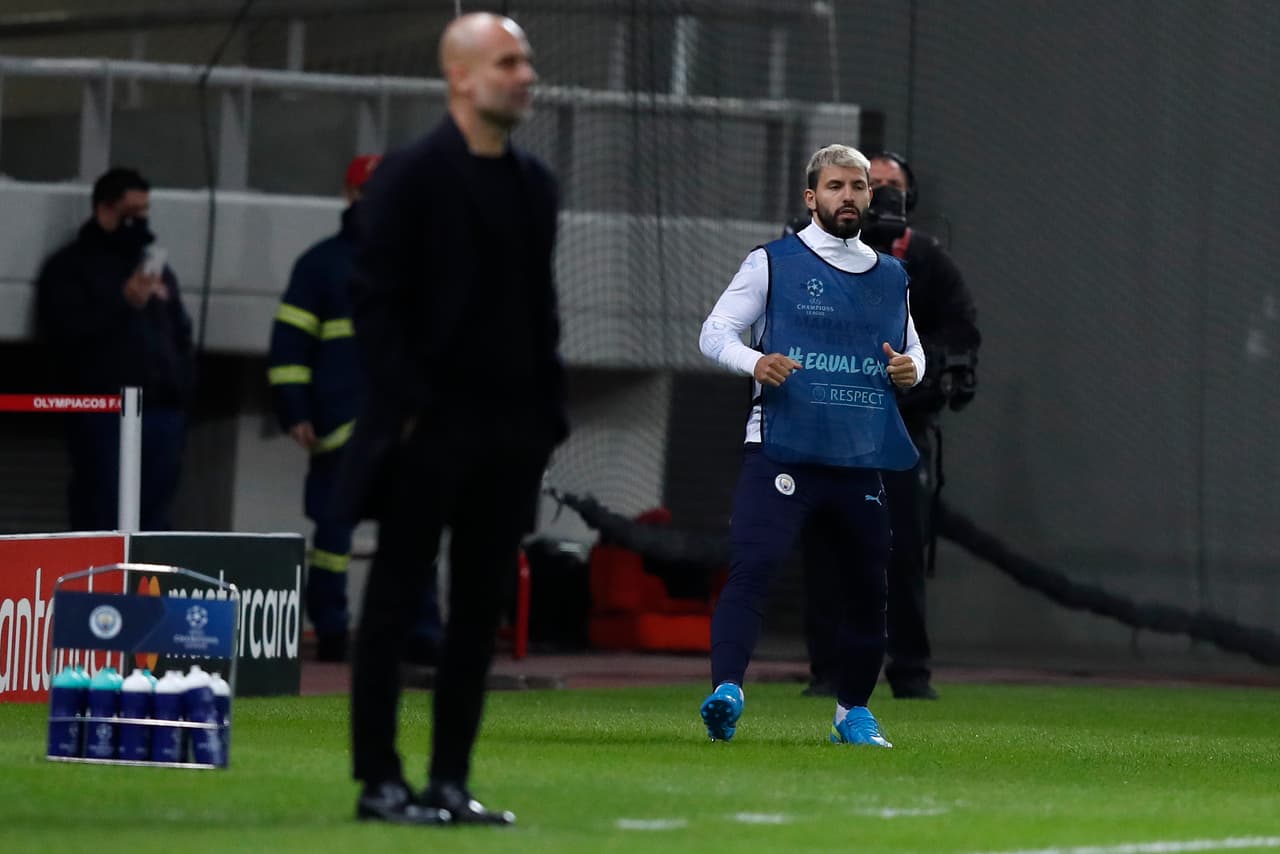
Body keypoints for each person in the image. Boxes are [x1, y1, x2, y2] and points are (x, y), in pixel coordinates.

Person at [340, 12, 567, 826]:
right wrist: (409, 413)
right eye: (509, 61)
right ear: (461, 77)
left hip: (509, 434)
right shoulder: (408, 177)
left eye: (528, 61)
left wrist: (548, 418)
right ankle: (380, 781)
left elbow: (539, 310)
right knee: (396, 604)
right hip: (426, 429)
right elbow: (374, 305)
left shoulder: (535, 184)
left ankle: (447, 782)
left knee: (478, 611)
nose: (526, 74)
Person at [698, 144, 925, 748]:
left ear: (869, 197)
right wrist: (756, 360)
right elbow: (714, 332)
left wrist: (910, 371)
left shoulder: (890, 274)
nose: (847, 196)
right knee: (754, 567)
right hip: (779, 448)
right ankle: (726, 691)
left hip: (856, 454)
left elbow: (914, 354)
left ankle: (852, 713)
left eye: (857, 187)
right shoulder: (773, 262)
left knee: (867, 588)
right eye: (834, 187)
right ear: (811, 197)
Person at [797, 151, 980, 700]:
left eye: (886, 187)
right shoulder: (806, 254)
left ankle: (910, 670)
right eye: (863, 185)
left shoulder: (928, 260)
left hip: (899, 428)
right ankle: (828, 669)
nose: (874, 195)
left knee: (900, 552)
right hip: (827, 428)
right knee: (826, 551)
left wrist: (928, 372)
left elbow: (961, 333)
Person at [267, 155, 443, 665]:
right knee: (333, 536)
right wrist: (295, 409)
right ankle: (333, 631)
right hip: (342, 424)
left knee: (416, 532)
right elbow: (289, 346)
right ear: (351, 195)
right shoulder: (321, 265)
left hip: (409, 424)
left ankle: (423, 632)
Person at [35, 167, 194, 531]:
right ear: (105, 211)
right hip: (105, 413)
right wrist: (122, 301)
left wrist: (181, 393)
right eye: (131, 213)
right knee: (102, 515)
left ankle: (146, 588)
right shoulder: (70, 268)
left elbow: (180, 334)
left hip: (161, 414)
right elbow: (64, 334)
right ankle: (94, 588)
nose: (140, 221)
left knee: (154, 522)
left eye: (144, 212)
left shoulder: (154, 269)